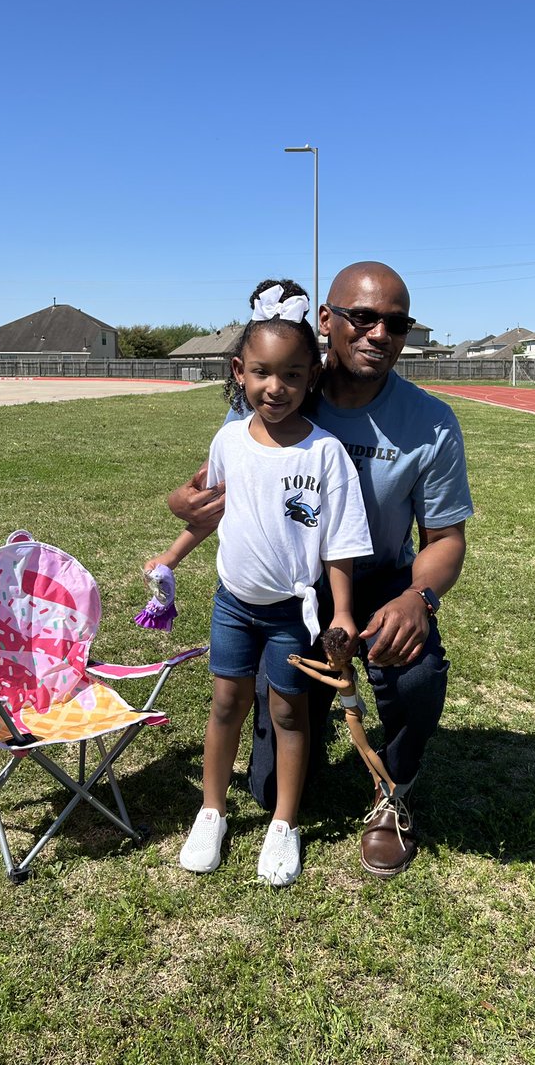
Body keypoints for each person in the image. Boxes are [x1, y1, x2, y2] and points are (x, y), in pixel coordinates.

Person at [169, 261, 473, 877]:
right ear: (327, 320)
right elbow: (222, 483)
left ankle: (393, 793)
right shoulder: (282, 385)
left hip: (383, 580)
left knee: (416, 674)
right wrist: (183, 505)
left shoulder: (431, 422)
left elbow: (446, 539)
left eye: (396, 323)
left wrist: (420, 596)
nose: (378, 334)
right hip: (291, 589)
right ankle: (292, 743)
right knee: (268, 784)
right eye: (363, 318)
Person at [148, 279, 371, 886]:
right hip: (232, 604)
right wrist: (169, 558)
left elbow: (341, 546)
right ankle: (212, 811)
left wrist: (342, 614)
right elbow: (207, 514)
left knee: (289, 714)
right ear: (239, 372)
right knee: (225, 704)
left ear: (313, 376)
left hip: (290, 615)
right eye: (263, 373)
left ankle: (284, 824)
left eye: (294, 375)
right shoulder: (227, 441)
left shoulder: (326, 454)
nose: (277, 388)